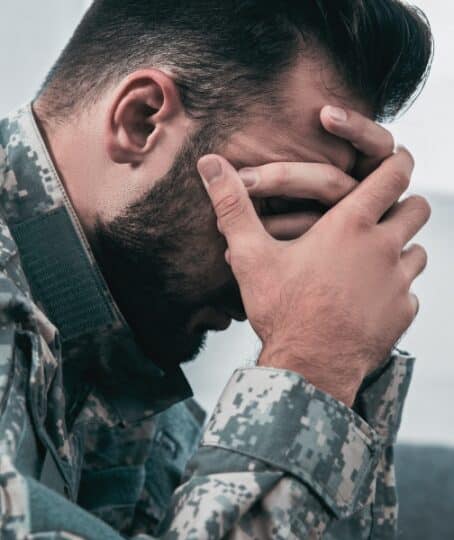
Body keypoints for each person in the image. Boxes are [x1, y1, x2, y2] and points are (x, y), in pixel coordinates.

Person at [0, 1, 433, 538]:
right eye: (273, 205)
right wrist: (310, 368)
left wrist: (347, 359)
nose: (273, 273)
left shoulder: (121, 371)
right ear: (140, 120)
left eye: (316, 223)